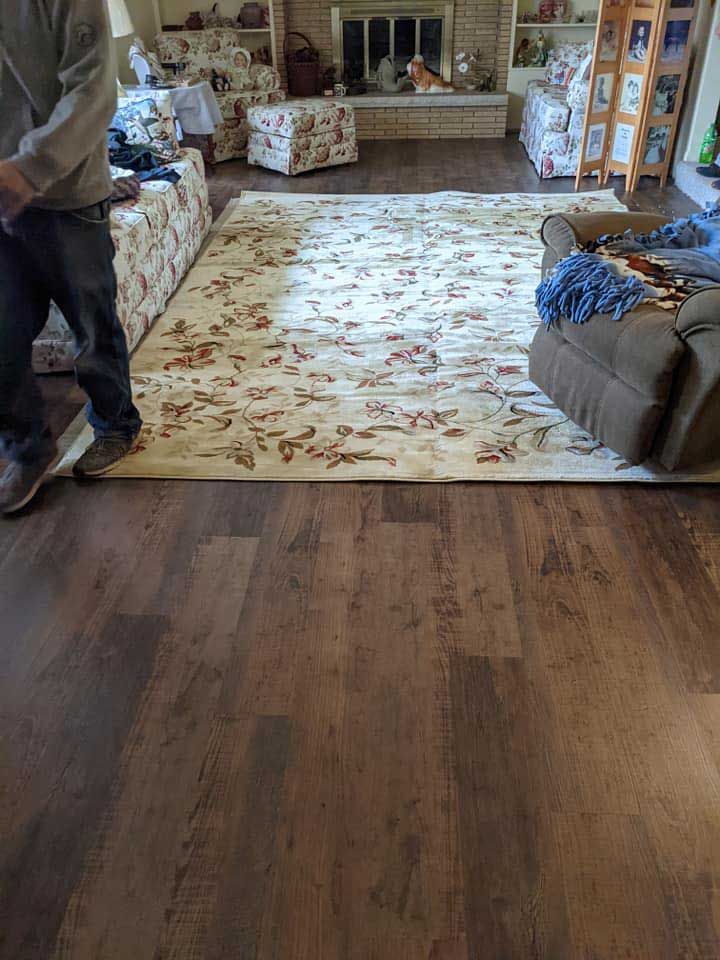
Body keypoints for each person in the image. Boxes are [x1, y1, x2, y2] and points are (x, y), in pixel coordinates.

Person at [0, 0, 142, 514]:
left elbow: (94, 91)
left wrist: (29, 168)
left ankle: (116, 421)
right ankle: (28, 448)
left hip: (69, 193)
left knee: (91, 324)